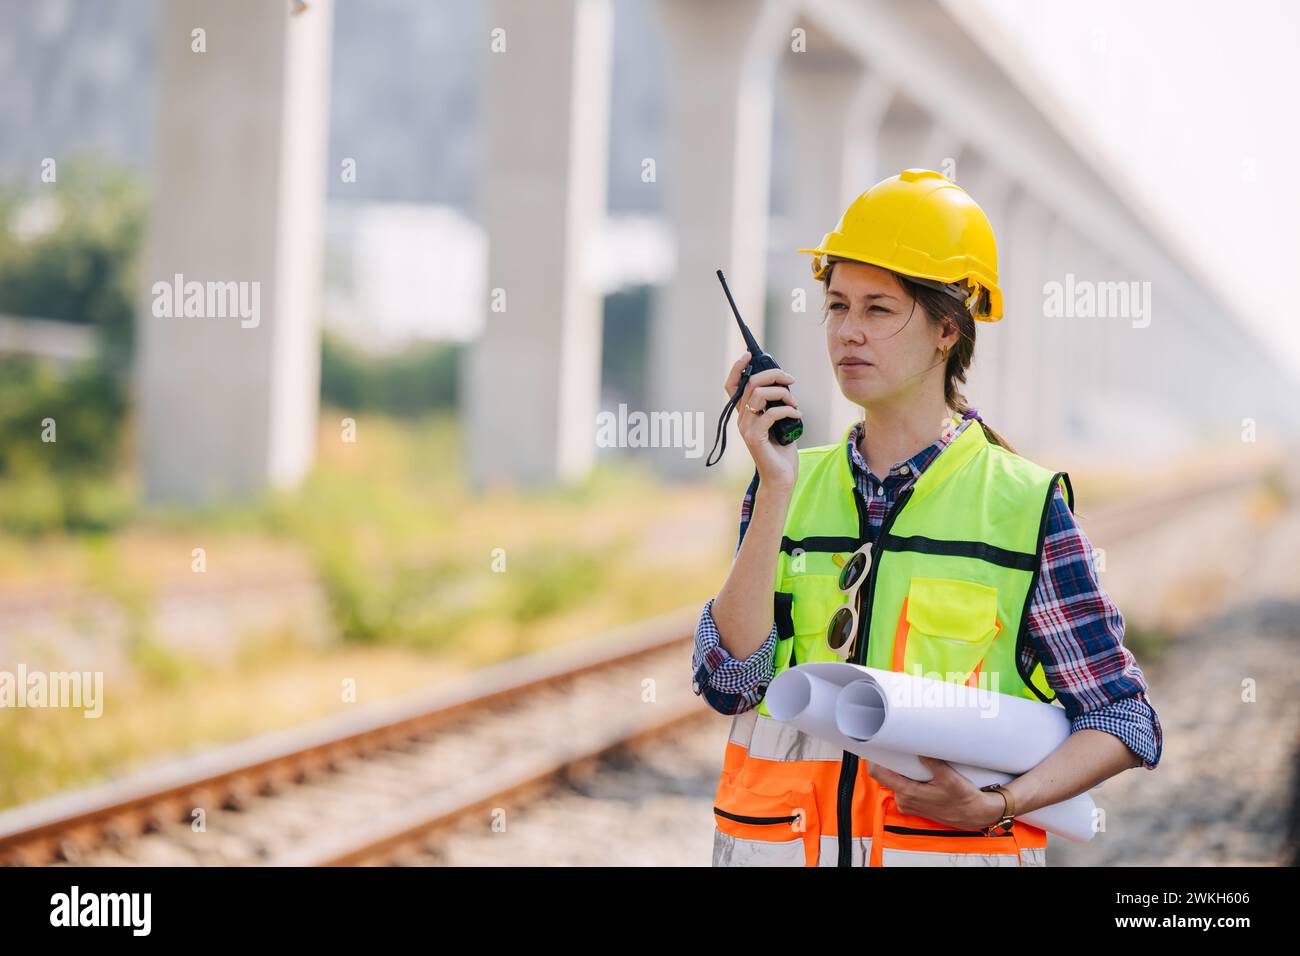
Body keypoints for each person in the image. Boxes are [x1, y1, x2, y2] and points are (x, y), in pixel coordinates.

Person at [692, 168, 1162, 867]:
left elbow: (1122, 719)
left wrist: (999, 805)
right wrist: (773, 486)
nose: (848, 332)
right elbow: (731, 682)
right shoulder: (787, 486)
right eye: (837, 305)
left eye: (879, 310)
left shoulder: (1024, 507)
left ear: (948, 330)